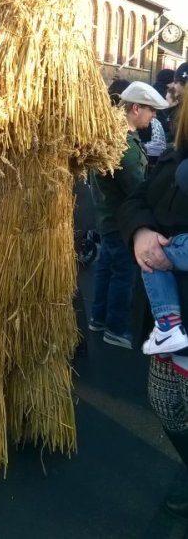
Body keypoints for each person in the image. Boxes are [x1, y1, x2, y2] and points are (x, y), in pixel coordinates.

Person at [119, 91, 188, 519]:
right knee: (166, 404)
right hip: (165, 317)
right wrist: (141, 232)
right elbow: (137, 198)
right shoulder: (176, 153)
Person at [89, 81, 168, 348]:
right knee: (123, 274)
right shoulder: (127, 146)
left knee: (106, 269)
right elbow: (136, 188)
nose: (154, 116)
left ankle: (98, 319)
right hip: (122, 221)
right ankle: (116, 327)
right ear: (136, 108)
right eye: (151, 110)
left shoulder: (112, 137)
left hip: (106, 217)